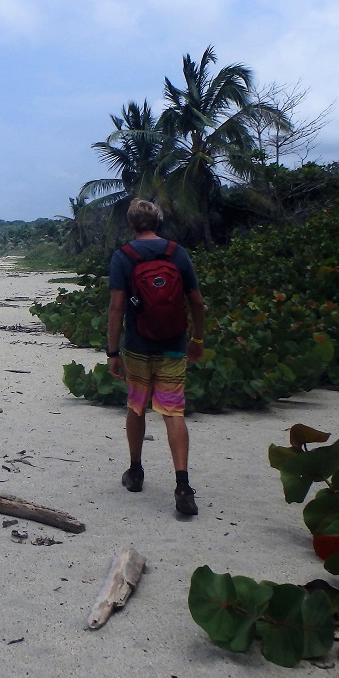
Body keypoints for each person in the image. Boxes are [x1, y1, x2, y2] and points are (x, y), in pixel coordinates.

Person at [106, 199, 206, 516]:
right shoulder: (177, 253)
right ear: (158, 223)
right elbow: (197, 302)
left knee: (137, 405)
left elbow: (117, 308)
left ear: (131, 224)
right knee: (173, 412)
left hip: (138, 345)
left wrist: (112, 351)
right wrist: (198, 339)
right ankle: (182, 485)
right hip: (174, 344)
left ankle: (135, 472)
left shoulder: (124, 257)